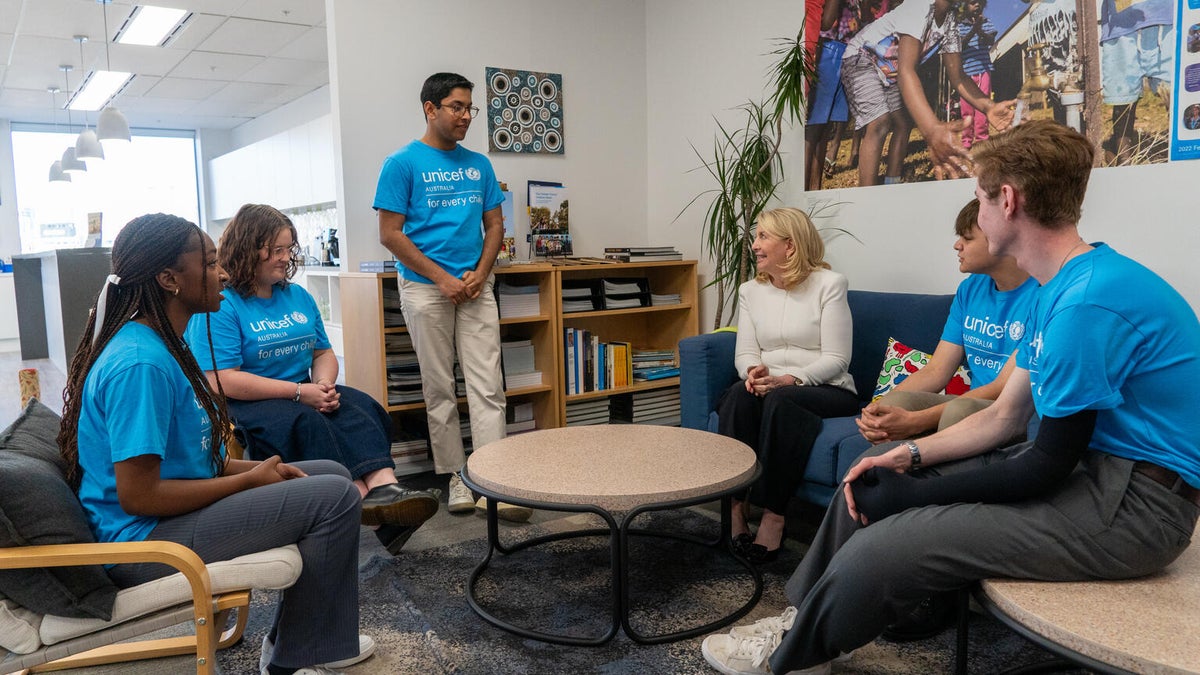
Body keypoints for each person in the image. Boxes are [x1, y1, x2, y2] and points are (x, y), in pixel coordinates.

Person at [702, 120, 1200, 675]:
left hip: (1138, 508)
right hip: (1091, 472)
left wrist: (911, 498)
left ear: (1007, 201)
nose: (975, 216)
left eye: (978, 198)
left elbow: (1043, 466)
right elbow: (1007, 417)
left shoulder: (1084, 304)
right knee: (868, 470)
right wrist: (905, 457)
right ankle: (798, 619)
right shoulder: (1057, 285)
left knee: (891, 543)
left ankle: (785, 657)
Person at [59, 214, 376, 675]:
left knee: (332, 473)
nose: (223, 273)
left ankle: (312, 639)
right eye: (209, 264)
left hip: (167, 518)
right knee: (333, 497)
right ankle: (297, 658)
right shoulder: (140, 366)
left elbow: (189, 464)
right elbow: (140, 495)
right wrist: (246, 481)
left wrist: (254, 472)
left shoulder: (165, 343)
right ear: (169, 280)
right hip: (143, 545)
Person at [184, 203, 439, 556]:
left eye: (288, 248)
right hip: (250, 403)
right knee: (306, 422)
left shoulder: (298, 296)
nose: (284, 258)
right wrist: (299, 392)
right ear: (247, 248)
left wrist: (323, 384)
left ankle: (387, 489)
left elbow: (322, 352)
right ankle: (367, 507)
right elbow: (220, 379)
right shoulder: (222, 305)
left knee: (359, 406)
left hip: (303, 389)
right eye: (275, 250)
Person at [373, 72, 530, 522]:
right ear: (430, 108)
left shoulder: (479, 164)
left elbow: (496, 225)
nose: (465, 116)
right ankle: (458, 477)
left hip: (476, 287)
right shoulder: (401, 163)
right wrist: (442, 278)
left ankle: (494, 479)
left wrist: (480, 274)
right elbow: (390, 234)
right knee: (439, 387)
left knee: (487, 387)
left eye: (469, 109)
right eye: (457, 107)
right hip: (426, 288)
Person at [716, 207, 860, 565]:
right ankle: (736, 507)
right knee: (737, 395)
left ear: (790, 246)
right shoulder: (750, 290)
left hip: (825, 388)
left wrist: (792, 379)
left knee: (783, 402)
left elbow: (838, 358)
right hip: (774, 387)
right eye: (756, 236)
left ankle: (774, 515)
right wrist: (753, 373)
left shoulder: (830, 285)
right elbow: (746, 350)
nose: (754, 245)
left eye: (763, 237)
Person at [856, 198, 1037, 444]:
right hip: (972, 403)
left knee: (959, 411)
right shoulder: (970, 289)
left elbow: (1002, 388)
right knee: (896, 404)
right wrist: (880, 408)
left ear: (1000, 238)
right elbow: (936, 370)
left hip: (1013, 409)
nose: (957, 245)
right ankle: (889, 478)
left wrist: (918, 421)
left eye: (967, 238)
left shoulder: (1042, 294)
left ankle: (932, 479)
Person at [840, 0, 1015, 185]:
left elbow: (958, 77)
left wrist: (988, 106)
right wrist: (931, 129)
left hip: (889, 71)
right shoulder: (919, 6)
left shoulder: (950, 21)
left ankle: (891, 184)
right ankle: (867, 194)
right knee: (880, 121)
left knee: (903, 124)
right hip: (860, 57)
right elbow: (906, 71)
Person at [1099, 0, 1173, 164]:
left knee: (1175, 96)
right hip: (1120, 27)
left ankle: (1183, 154)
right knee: (1123, 99)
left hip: (1167, 21)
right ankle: (1124, 160)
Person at [957, 0, 997, 149]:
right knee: (966, 110)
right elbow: (961, 45)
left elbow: (990, 40)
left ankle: (982, 139)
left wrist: (979, 29)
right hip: (965, 74)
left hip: (983, 71)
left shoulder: (986, 22)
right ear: (965, 6)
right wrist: (974, 29)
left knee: (982, 107)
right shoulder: (960, 25)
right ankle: (966, 141)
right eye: (973, 2)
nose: (977, 5)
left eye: (979, 2)